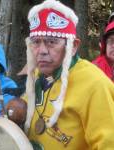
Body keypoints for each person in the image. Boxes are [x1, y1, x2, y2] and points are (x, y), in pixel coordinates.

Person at [12, 0, 114, 149]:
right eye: (35, 42)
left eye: (51, 42)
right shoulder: (37, 76)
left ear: (73, 46)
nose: (42, 51)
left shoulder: (95, 84)